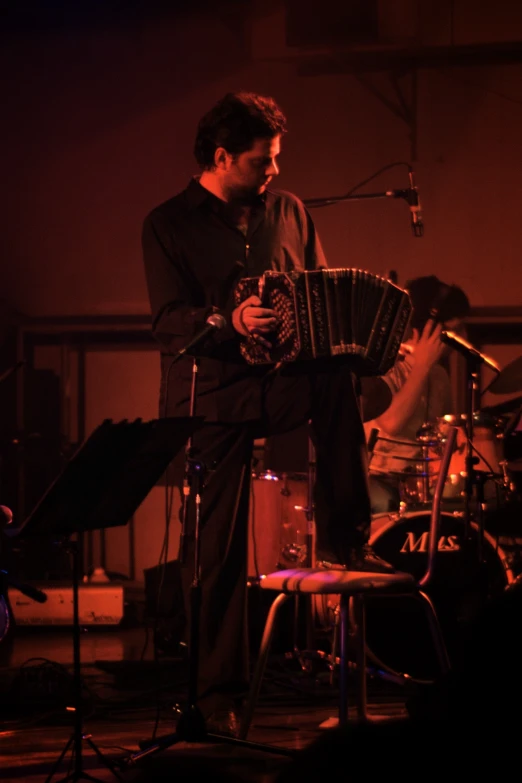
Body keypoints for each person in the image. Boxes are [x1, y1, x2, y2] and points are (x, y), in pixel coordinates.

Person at [141, 91, 395, 728]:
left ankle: (346, 539)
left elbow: (319, 287)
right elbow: (167, 322)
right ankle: (214, 697)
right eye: (263, 161)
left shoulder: (289, 211)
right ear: (223, 157)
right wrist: (227, 317)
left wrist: (348, 336)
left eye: (277, 158)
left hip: (280, 380)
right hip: (214, 392)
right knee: (215, 552)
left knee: (336, 374)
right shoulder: (166, 223)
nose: (275, 171)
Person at [365, 275, 471, 514]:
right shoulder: (385, 365)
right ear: (431, 328)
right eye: (454, 330)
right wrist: (421, 367)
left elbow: (443, 437)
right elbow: (391, 422)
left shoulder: (440, 377)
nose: (461, 338)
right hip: (379, 479)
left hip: (423, 482)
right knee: (380, 501)